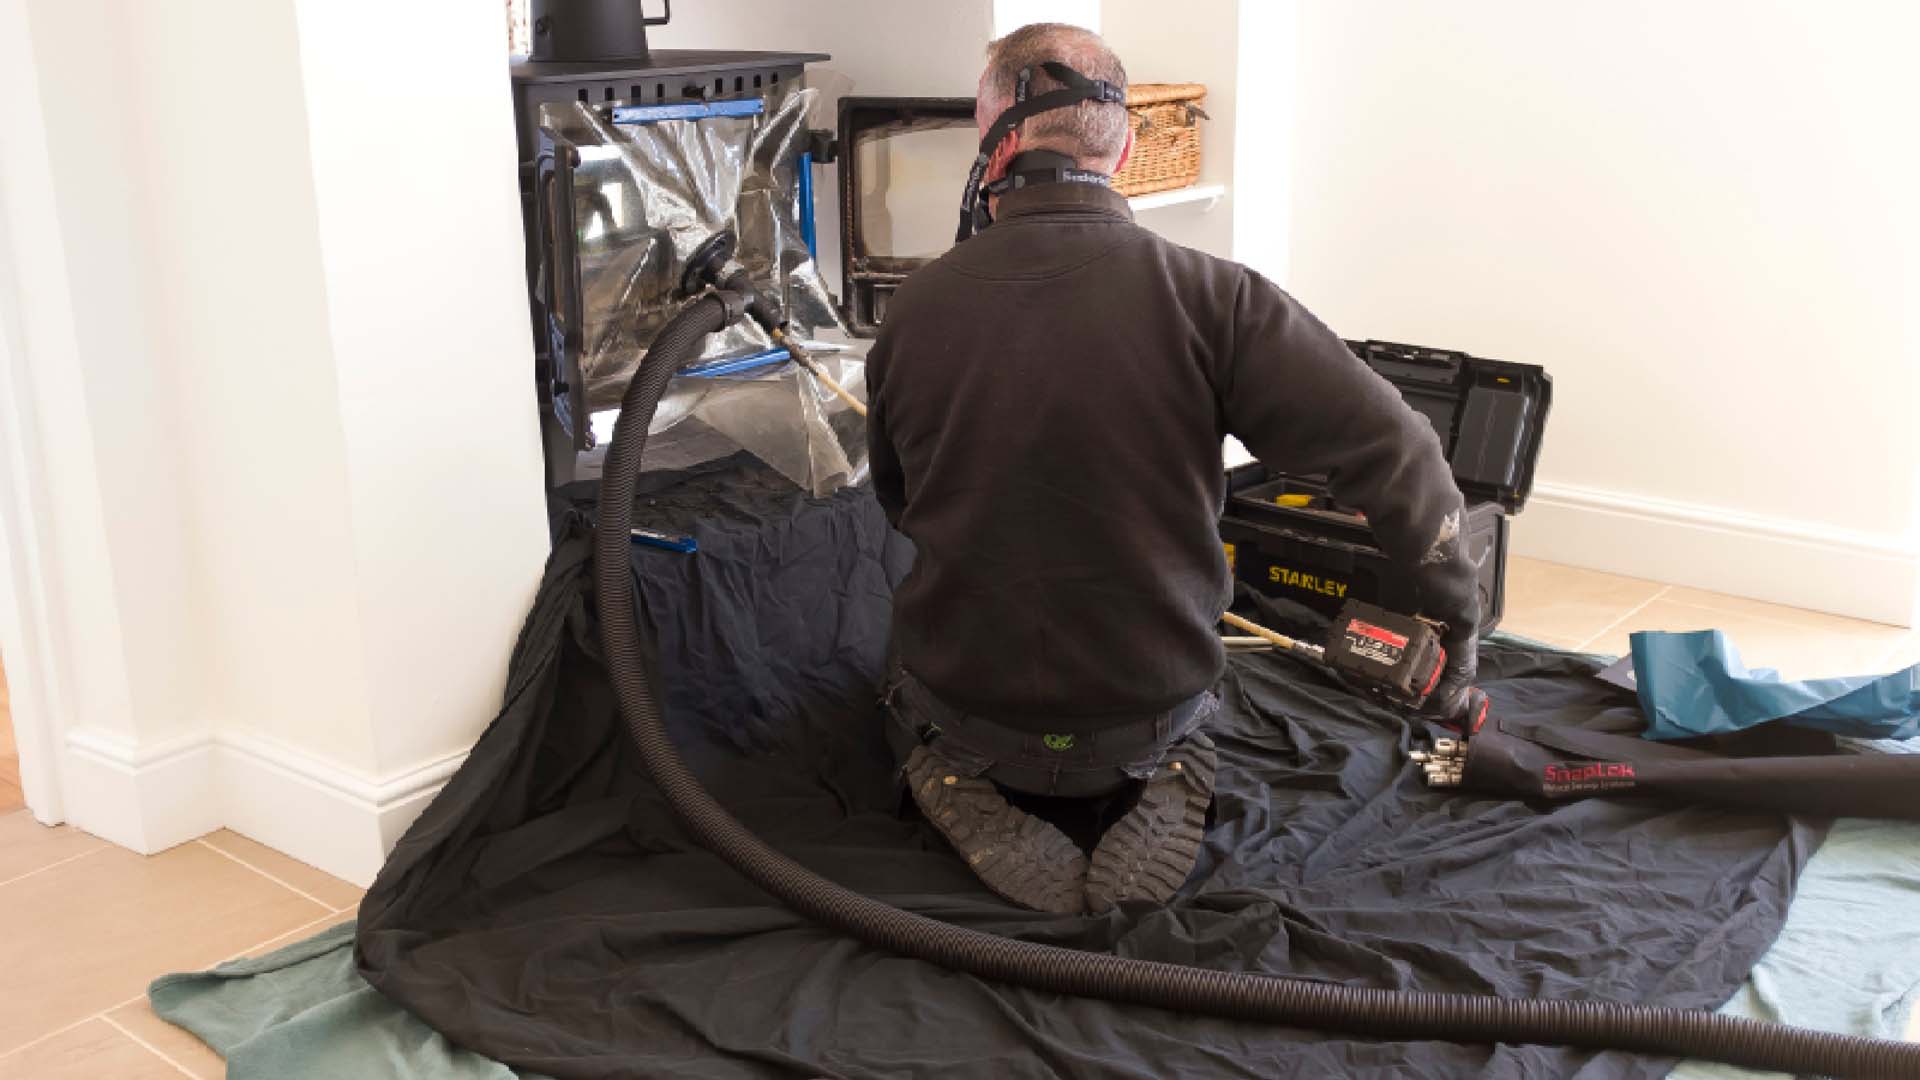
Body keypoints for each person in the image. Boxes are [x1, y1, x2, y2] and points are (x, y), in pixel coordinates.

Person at [865, 23, 1481, 915]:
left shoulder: (913, 310)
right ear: (1123, 144)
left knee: (898, 671)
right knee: (1176, 696)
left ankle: (951, 771)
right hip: (1146, 709)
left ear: (992, 128)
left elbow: (897, 502)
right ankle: (1169, 769)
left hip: (970, 704)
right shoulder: (1217, 299)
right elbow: (1400, 454)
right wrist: (1456, 628)